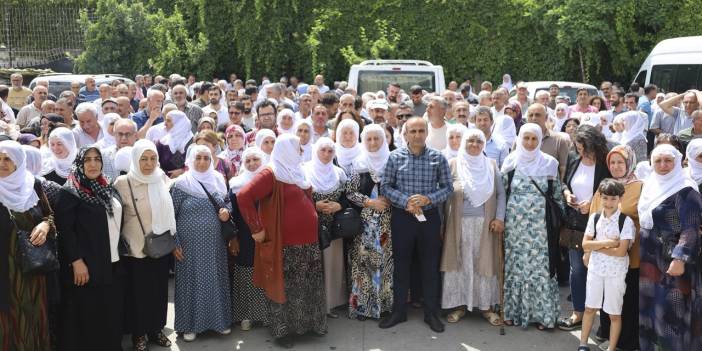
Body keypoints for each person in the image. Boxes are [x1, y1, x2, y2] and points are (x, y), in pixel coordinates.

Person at [237, 133, 327, 349]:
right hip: (284, 244)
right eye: (297, 148)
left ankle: (307, 326)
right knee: (284, 287)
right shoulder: (271, 173)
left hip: (308, 243)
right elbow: (243, 197)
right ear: (286, 150)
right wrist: (256, 229)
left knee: (307, 285)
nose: (301, 152)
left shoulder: (297, 171)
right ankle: (282, 332)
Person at [379, 117, 452, 333]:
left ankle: (431, 313)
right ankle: (399, 311)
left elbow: (448, 188)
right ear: (405, 134)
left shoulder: (438, 158)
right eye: (413, 131)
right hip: (403, 218)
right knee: (401, 265)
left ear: (427, 132)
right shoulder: (394, 157)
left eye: (421, 130)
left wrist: (428, 199)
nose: (418, 135)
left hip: (429, 219)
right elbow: (385, 186)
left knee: (430, 265)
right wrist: (406, 201)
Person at [55, 146, 125, 351]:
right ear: (79, 163)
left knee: (109, 313)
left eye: (97, 159)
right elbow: (66, 232)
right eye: (87, 160)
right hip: (86, 266)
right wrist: (76, 261)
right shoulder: (71, 191)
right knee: (88, 315)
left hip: (111, 262)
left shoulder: (107, 186)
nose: (93, 164)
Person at [113, 140, 175, 351]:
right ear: (135, 159)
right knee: (138, 294)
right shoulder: (123, 183)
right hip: (135, 249)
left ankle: (156, 329)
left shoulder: (161, 178)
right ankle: (138, 334)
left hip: (160, 246)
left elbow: (169, 213)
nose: (149, 164)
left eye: (153, 158)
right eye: (144, 159)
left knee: (159, 291)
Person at [638, 144, 702, 351]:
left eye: (668, 160)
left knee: (672, 314)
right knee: (650, 310)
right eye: (658, 161)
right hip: (650, 259)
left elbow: (690, 228)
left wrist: (679, 258)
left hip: (672, 262)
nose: (663, 165)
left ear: (677, 162)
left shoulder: (686, 189)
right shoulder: (650, 185)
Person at [501, 123, 563, 330]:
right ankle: (513, 312)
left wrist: (558, 223)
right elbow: (502, 193)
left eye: (533, 139)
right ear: (519, 139)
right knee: (515, 267)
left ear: (539, 140)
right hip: (514, 228)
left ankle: (542, 315)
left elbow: (556, 194)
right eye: (525, 138)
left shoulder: (550, 163)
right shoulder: (510, 162)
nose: (529, 143)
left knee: (540, 268)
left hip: (541, 227)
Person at [441, 129, 505, 325]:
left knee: (483, 265)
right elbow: (442, 196)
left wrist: (500, 218)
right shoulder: (453, 164)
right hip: (457, 225)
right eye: (470, 141)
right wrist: (441, 226)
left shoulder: (491, 165)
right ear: (463, 143)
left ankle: (485, 308)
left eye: (479, 141)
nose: (475, 144)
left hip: (485, 226)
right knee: (459, 264)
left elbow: (501, 194)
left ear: (484, 144)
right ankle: (460, 306)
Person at [171, 144, 232, 342]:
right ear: (190, 160)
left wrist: (226, 213)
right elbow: (170, 216)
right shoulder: (181, 184)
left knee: (215, 280)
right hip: (188, 247)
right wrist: (175, 243)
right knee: (191, 283)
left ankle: (219, 323)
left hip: (214, 245)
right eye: (198, 158)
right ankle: (190, 326)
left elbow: (226, 204)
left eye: (206, 158)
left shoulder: (217, 181)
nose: (203, 162)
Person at [589, 145, 643, 351]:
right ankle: (608, 336)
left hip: (629, 255)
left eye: (620, 162)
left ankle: (626, 342)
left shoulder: (640, 186)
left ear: (629, 163)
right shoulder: (605, 185)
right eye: (612, 162)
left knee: (625, 299)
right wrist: (588, 251)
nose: (616, 166)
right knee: (606, 298)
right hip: (602, 254)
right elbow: (593, 216)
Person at [558, 125, 611, 331]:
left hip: (601, 225)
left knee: (600, 272)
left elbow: (615, 188)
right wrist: (567, 194)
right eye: (578, 148)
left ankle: (604, 321)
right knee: (577, 270)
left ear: (594, 145)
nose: (581, 152)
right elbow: (564, 183)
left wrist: (594, 203)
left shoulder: (606, 163)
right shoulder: (573, 158)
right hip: (575, 224)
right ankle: (578, 313)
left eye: (584, 148)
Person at [0, 140, 52, 350]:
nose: (2, 163)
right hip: (4, 271)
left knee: (31, 317)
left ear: (19, 161)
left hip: (31, 269)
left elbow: (49, 215)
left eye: (7, 159)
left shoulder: (33, 185)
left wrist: (45, 226)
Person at [578, 179, 636, 351]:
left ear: (620, 199)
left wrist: (596, 246)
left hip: (615, 273)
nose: (609, 203)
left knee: (614, 314)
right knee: (589, 308)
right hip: (595, 270)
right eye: (605, 198)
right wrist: (609, 243)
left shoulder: (626, 221)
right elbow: (584, 245)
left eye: (613, 198)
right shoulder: (595, 218)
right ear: (600, 198)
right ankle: (583, 344)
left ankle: (611, 348)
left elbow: (620, 252)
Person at [345, 124, 393, 320]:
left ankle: (385, 307)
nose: (373, 143)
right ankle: (362, 307)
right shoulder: (358, 164)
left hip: (387, 224)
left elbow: (400, 188)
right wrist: (369, 202)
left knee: (385, 264)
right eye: (369, 139)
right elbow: (350, 192)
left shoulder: (393, 162)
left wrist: (390, 200)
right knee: (362, 265)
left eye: (377, 139)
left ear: (384, 140)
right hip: (364, 226)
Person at [304, 137, 348, 318]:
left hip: (333, 228)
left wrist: (339, 205)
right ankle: (314, 305)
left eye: (330, 151)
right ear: (316, 151)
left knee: (332, 264)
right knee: (313, 265)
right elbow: (297, 197)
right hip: (310, 225)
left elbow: (348, 197)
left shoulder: (339, 173)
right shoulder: (304, 170)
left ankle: (331, 304)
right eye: (323, 150)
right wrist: (314, 206)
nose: (326, 154)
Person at [227, 147, 269, 332]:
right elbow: (232, 214)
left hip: (268, 235)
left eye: (256, 159)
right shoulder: (236, 184)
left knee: (267, 271)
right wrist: (233, 237)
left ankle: (266, 314)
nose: (252, 164)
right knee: (246, 273)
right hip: (244, 236)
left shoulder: (271, 182)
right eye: (248, 160)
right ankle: (246, 315)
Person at [156, 110, 193, 178]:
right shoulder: (162, 143)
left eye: (168, 121)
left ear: (179, 123)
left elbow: (199, 164)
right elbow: (156, 165)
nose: (165, 123)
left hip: (188, 183)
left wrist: (183, 171)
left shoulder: (192, 142)